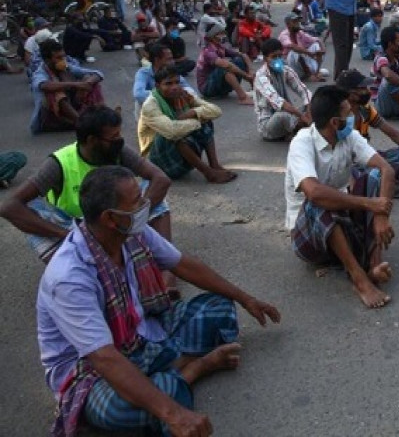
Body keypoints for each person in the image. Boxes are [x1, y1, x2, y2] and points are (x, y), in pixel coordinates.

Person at [36, 165, 279, 437]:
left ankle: (161, 381)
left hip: (141, 333)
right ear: (110, 218)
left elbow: (183, 265)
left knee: (219, 308)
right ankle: (192, 370)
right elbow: (103, 357)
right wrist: (175, 415)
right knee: (120, 409)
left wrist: (245, 298)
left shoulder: (130, 231)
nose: (145, 205)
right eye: (136, 202)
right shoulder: (68, 277)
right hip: (91, 370)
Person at [1, 105, 174, 264]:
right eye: (114, 137)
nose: (120, 140)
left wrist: (136, 215)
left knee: (153, 192)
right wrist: (66, 234)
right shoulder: (58, 163)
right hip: (75, 227)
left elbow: (161, 179)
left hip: (117, 220)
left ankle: (166, 270)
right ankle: (73, 269)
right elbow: (8, 206)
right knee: (29, 208)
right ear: (92, 140)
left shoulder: (117, 150)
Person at [285, 85, 398, 308]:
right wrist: (370, 204)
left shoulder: (350, 137)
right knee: (319, 199)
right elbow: (314, 192)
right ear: (335, 122)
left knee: (373, 177)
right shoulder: (302, 143)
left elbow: (386, 169)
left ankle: (375, 265)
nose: (353, 115)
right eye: (348, 113)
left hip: (340, 221)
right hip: (310, 235)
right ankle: (359, 279)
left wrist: (381, 215)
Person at [336, 69, 399, 198]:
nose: (367, 91)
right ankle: (380, 184)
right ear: (350, 94)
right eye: (362, 88)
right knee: (372, 173)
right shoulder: (338, 117)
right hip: (348, 163)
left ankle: (381, 183)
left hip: (364, 158)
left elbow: (393, 134)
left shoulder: (365, 110)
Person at [139, 65, 237, 183]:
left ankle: (214, 165)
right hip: (158, 163)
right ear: (158, 86)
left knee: (203, 118)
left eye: (177, 82)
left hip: (177, 155)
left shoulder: (184, 95)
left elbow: (216, 111)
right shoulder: (150, 105)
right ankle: (209, 173)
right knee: (174, 133)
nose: (174, 87)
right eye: (168, 84)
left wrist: (192, 112)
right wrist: (197, 120)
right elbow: (172, 131)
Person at [30, 40, 105, 134]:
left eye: (63, 56)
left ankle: (100, 115)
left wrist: (87, 83)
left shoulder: (67, 67)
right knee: (56, 92)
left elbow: (97, 74)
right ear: (47, 60)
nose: (63, 60)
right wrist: (75, 85)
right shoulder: (40, 73)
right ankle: (81, 123)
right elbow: (44, 85)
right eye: (58, 58)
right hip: (51, 117)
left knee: (89, 80)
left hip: (71, 106)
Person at [253, 39, 312, 141]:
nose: (278, 60)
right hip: (268, 124)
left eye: (280, 56)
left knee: (312, 105)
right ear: (265, 59)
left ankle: (300, 129)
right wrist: (301, 116)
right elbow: (278, 102)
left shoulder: (286, 70)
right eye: (274, 57)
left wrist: (308, 110)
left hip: (290, 115)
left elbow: (303, 90)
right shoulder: (261, 76)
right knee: (282, 116)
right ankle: (304, 131)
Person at [133, 44, 196, 120]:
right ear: (157, 60)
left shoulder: (172, 72)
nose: (173, 62)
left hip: (172, 107)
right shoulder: (143, 73)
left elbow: (190, 91)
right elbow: (138, 94)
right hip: (153, 109)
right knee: (138, 103)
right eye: (169, 59)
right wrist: (164, 96)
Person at [195, 24, 253, 105]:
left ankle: (253, 89)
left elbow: (244, 55)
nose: (223, 36)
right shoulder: (208, 51)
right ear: (212, 37)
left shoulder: (220, 48)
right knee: (225, 68)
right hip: (207, 88)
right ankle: (242, 98)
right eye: (220, 34)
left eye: (223, 33)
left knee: (239, 60)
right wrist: (246, 76)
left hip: (218, 85)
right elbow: (226, 65)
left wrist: (250, 72)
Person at [278, 12, 327, 82]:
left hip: (302, 63)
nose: (297, 23)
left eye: (298, 21)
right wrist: (309, 53)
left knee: (315, 45)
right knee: (294, 51)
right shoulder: (284, 35)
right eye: (294, 22)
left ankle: (316, 73)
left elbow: (317, 39)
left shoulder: (299, 33)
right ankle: (309, 75)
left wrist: (323, 50)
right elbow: (292, 46)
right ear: (288, 24)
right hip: (289, 66)